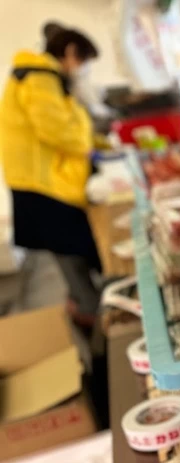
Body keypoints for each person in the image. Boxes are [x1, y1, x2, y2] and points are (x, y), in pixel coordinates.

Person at [2, 27, 100, 326]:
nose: (82, 68)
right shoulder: (40, 78)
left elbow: (66, 124)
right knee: (70, 248)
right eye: (82, 60)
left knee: (68, 248)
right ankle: (89, 312)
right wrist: (86, 147)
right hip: (43, 182)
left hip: (39, 178)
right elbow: (55, 128)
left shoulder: (39, 76)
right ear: (70, 52)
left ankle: (82, 302)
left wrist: (97, 145)